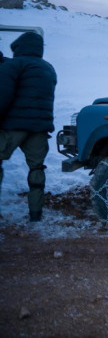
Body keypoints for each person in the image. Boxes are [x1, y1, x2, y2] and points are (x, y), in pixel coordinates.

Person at [0, 32, 57, 222]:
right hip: (39, 128)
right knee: (36, 170)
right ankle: (35, 214)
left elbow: (3, 95)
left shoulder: (13, 66)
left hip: (14, 127)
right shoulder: (48, 68)